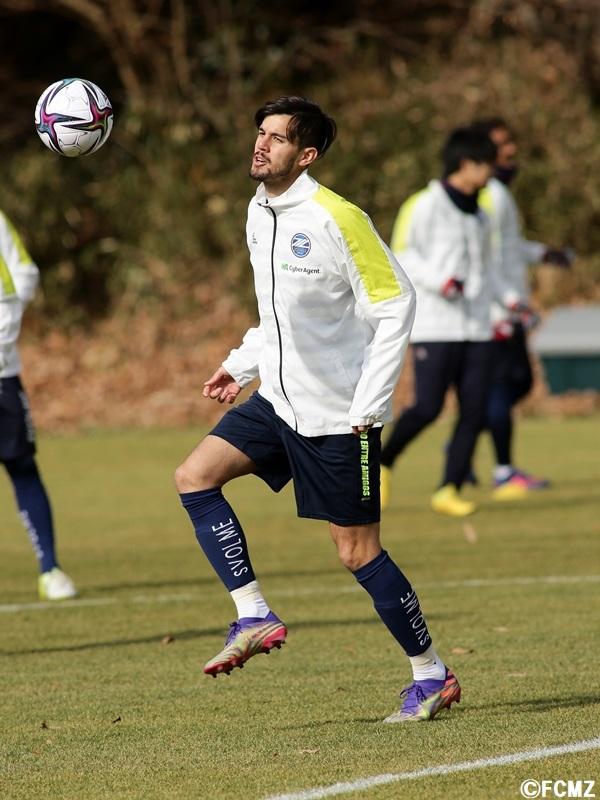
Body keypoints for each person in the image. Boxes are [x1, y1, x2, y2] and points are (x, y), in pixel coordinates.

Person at [175, 96, 461, 723]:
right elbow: (277, 312)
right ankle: (253, 613)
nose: (261, 145)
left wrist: (370, 403)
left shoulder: (338, 218)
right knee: (194, 477)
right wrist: (242, 365)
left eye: (276, 138)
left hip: (339, 416)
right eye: (260, 133)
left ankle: (431, 673)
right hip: (278, 400)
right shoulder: (258, 211)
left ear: (305, 155)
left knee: (357, 552)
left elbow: (396, 304)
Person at [379, 126, 521, 517]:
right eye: (486, 165)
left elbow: (488, 271)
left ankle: (449, 488)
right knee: (427, 407)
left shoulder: (481, 216)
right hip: (436, 326)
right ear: (465, 163)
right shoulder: (424, 205)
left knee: (474, 410)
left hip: (477, 328)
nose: (492, 173)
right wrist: (441, 281)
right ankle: (384, 462)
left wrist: (512, 302)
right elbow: (402, 255)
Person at [471, 117, 573, 499]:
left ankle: (465, 441)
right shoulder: (490, 195)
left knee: (519, 382)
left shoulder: (499, 193)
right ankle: (503, 471)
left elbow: (509, 248)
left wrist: (543, 253)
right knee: (503, 384)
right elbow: (488, 260)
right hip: (497, 310)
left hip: (507, 304)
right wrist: (509, 305)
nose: (511, 151)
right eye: (501, 145)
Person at [0, 209, 76, 600]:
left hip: (3, 375)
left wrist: (3, 337)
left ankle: (50, 568)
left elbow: (24, 273)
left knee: (21, 466)